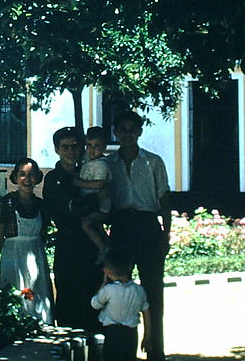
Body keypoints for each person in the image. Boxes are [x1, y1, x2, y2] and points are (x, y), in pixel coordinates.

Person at [106, 111, 171, 361]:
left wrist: (166, 235)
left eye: (132, 129)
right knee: (120, 291)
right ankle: (123, 351)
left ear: (140, 132)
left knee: (153, 291)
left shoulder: (153, 162)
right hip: (121, 227)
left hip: (147, 227)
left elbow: (164, 198)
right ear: (117, 132)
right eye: (122, 129)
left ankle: (156, 350)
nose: (127, 134)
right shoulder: (109, 163)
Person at [43, 126, 101, 330]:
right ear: (57, 149)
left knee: (94, 296)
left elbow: (104, 202)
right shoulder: (52, 179)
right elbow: (71, 210)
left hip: (92, 247)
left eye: (75, 146)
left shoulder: (89, 171)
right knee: (68, 297)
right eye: (65, 147)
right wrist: (90, 204)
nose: (71, 151)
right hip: (68, 245)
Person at [0, 157, 53, 324]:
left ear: (37, 178)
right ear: (15, 177)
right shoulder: (7, 202)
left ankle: (41, 326)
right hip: (13, 256)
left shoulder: (41, 205)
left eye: (32, 175)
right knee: (15, 293)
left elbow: (44, 233)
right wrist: (9, 255)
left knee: (38, 292)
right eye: (22, 175)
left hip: (35, 254)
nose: (27, 180)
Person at [90, 248, 148, 361]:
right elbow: (146, 311)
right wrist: (147, 335)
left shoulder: (108, 290)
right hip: (131, 333)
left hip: (113, 333)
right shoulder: (139, 290)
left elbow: (95, 304)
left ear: (107, 271)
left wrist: (102, 284)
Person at [74, 126, 112, 257]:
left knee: (86, 224)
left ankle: (103, 248)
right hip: (89, 204)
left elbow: (100, 184)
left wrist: (79, 183)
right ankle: (108, 244)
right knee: (98, 227)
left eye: (97, 146)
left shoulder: (102, 164)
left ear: (104, 147)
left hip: (100, 207)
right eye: (89, 145)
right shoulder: (88, 159)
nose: (92, 150)